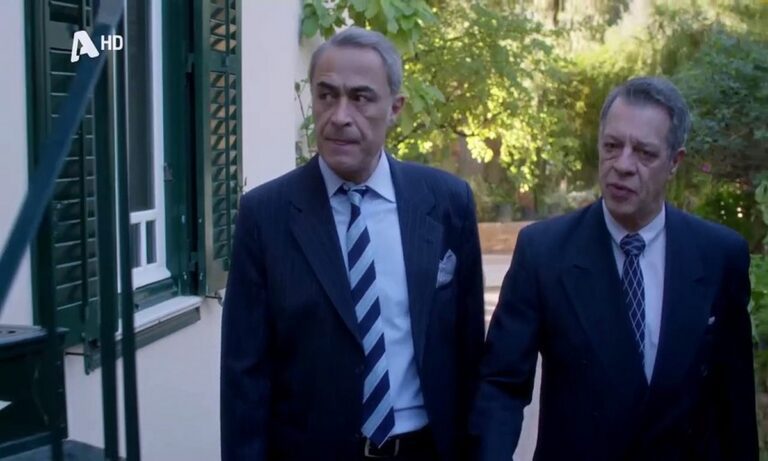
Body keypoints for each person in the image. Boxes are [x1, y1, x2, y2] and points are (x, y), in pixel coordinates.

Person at [220, 26, 485, 461]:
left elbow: (469, 350)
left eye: (361, 98)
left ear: (395, 107)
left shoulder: (446, 202)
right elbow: (244, 375)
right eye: (326, 95)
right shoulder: (266, 215)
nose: (340, 115)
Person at [470, 76, 758, 460]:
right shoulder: (544, 252)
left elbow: (734, 401)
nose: (622, 165)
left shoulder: (720, 255)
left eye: (644, 153)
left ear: (675, 162)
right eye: (611, 146)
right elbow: (502, 385)